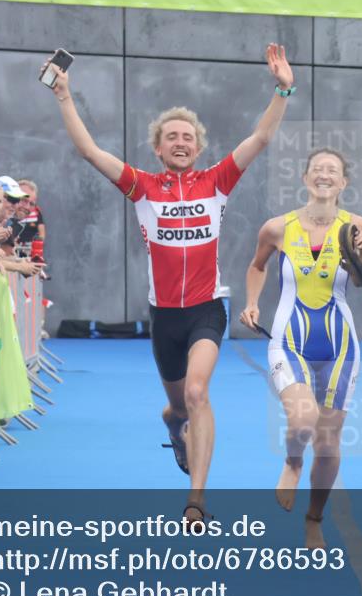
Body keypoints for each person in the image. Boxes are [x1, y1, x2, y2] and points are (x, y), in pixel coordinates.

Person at [46, 42, 295, 527]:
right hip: (165, 317)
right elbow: (88, 150)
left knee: (199, 394)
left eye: (188, 137)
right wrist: (63, 96)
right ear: (158, 148)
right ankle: (172, 418)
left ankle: (195, 499)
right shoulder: (142, 185)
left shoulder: (218, 181)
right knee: (180, 403)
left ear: (198, 147)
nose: (180, 142)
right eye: (171, 137)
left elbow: (261, 137)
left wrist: (283, 87)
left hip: (207, 308)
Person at [240, 148, 362, 549]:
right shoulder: (277, 227)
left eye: (332, 171)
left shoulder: (355, 226)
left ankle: (314, 519)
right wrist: (252, 302)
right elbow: (257, 266)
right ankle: (291, 461)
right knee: (303, 423)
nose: (324, 175)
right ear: (304, 179)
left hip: (340, 346)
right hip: (289, 340)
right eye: (317, 169)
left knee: (329, 440)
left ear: (343, 183)